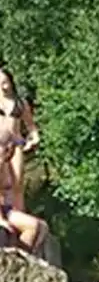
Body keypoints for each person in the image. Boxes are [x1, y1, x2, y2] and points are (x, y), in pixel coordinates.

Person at [0, 70, 40, 211]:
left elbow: (31, 126)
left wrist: (34, 138)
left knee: (17, 181)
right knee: (2, 182)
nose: (3, 87)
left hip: (16, 144)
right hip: (0, 145)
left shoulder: (20, 103)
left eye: (5, 82)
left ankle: (19, 211)